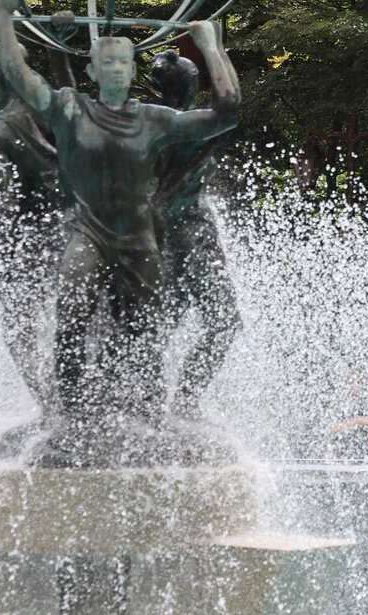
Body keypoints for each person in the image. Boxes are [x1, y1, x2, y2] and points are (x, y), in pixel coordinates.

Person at [0, 1, 240, 427]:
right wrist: (3, 16)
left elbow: (226, 112)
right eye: (108, 63)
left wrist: (211, 45)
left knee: (146, 334)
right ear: (92, 72)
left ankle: (148, 417)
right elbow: (18, 74)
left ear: (133, 69)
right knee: (70, 320)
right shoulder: (70, 109)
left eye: (124, 61)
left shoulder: (155, 120)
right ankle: (70, 417)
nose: (118, 69)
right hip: (88, 232)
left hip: (138, 240)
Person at [149, 49, 243, 417]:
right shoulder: (186, 124)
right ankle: (185, 402)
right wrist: (212, 47)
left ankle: (154, 401)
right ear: (195, 83)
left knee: (161, 324)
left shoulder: (149, 121)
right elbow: (228, 104)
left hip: (160, 229)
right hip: (190, 228)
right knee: (222, 322)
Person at [0, 41, 64, 413]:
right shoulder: (56, 108)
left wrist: (6, 264)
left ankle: (52, 406)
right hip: (85, 225)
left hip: (34, 238)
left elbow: (9, 206)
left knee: (19, 328)